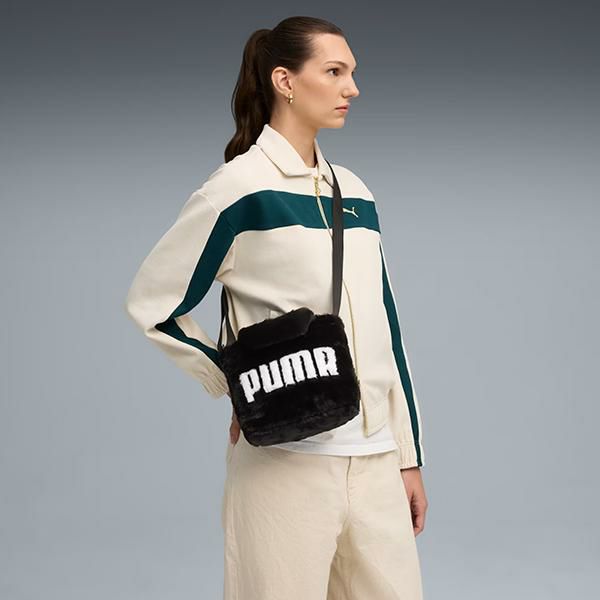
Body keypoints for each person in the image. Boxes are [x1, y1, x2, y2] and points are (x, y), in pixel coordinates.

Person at [125, 15, 428, 600]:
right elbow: (151, 303)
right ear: (285, 81)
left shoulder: (356, 193)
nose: (352, 87)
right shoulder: (237, 190)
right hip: (285, 464)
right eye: (334, 71)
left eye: (352, 73)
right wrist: (235, 383)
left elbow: (388, 329)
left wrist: (407, 456)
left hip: (375, 462)